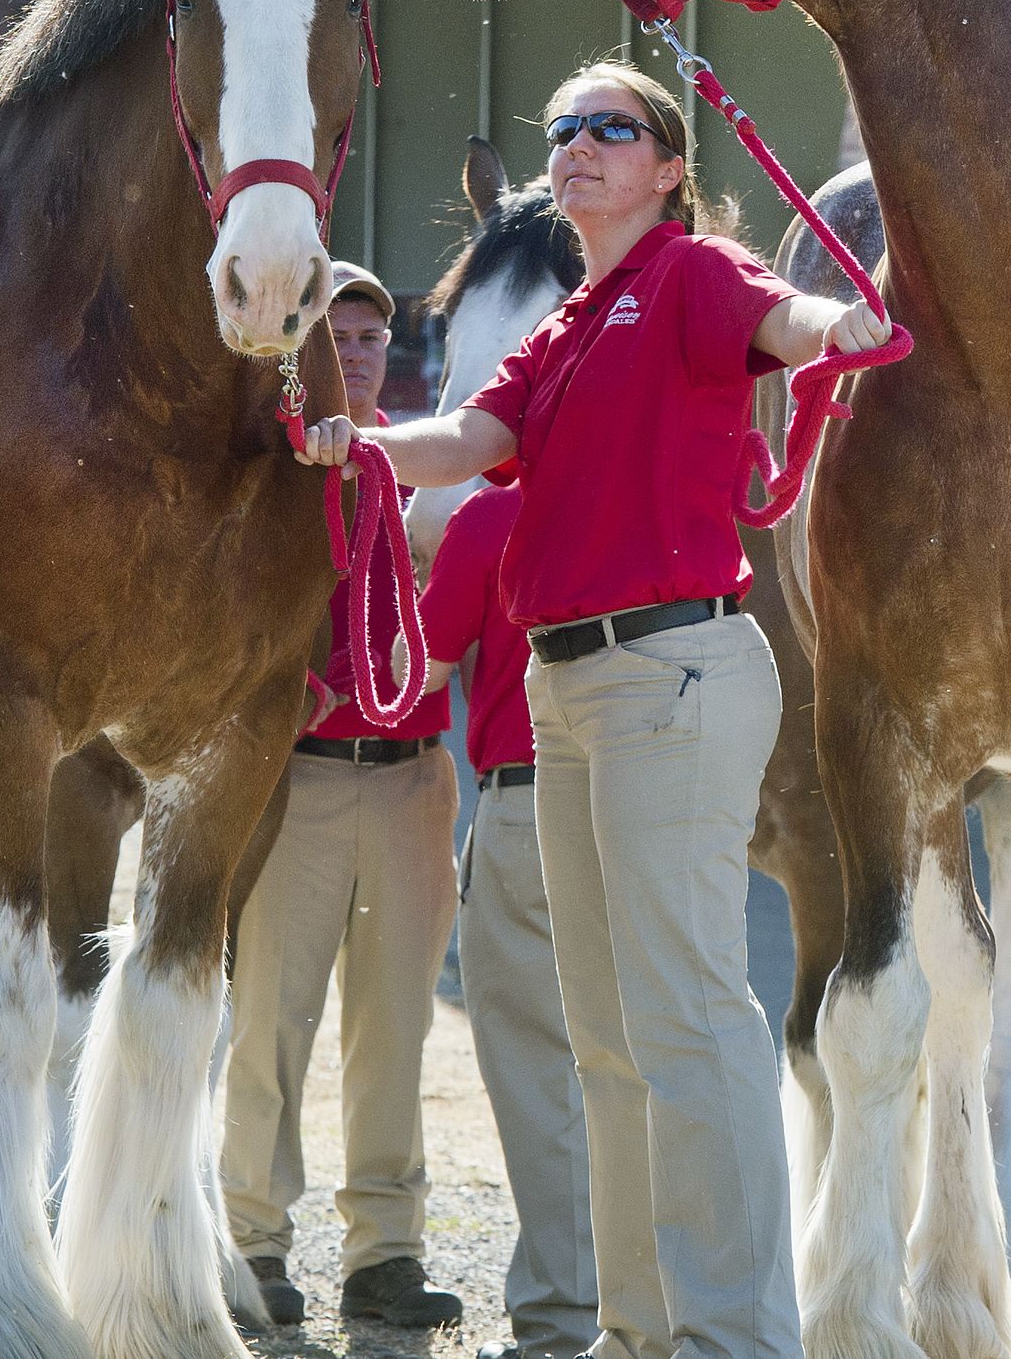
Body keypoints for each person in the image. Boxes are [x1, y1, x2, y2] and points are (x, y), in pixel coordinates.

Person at [297, 62, 886, 1359]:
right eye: (562, 130)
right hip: (569, 688)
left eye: (609, 129)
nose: (575, 147)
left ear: (668, 165)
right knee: (610, 1037)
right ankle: (634, 1332)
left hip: (668, 671)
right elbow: (463, 440)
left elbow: (778, 319)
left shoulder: (689, 271)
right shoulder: (566, 327)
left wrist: (835, 328)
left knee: (688, 1018)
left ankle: (735, 1337)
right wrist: (359, 445)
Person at [221, 261, 466, 1330]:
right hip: (301, 780)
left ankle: (385, 1254)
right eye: (338, 337)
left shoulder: (428, 468)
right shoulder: (275, 477)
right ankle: (252, 1243)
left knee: (396, 1026)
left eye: (371, 338)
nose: (357, 355)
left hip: (412, 778)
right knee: (269, 1021)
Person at [416, 476, 599, 1359]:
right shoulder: (630, 493)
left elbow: (423, 670)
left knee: (537, 1071)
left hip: (527, 801)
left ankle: (568, 1319)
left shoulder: (489, 516)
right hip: (642, 794)